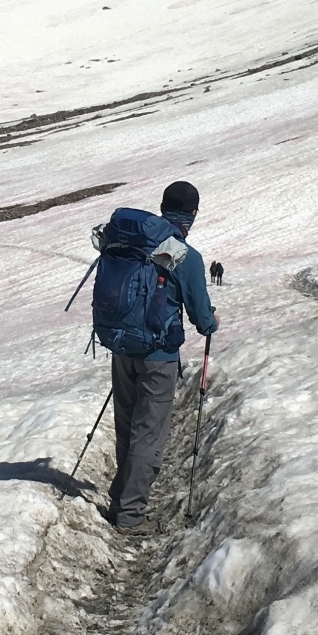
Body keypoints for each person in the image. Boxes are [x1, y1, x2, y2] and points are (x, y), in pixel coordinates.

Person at [107, 180, 217, 532]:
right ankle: (130, 516)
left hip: (122, 347)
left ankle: (120, 500)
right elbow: (202, 319)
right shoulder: (184, 255)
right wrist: (211, 321)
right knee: (148, 433)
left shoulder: (133, 242)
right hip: (158, 356)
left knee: (127, 427)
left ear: (162, 206)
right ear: (193, 213)